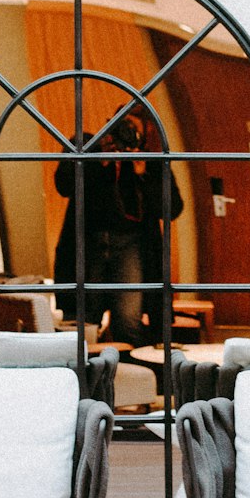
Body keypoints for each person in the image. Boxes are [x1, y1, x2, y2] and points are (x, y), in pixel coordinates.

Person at [53, 111, 184, 345]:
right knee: (84, 321)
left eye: (132, 130)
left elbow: (173, 209)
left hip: (131, 246)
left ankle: (126, 374)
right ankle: (87, 374)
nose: (125, 135)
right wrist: (97, 159)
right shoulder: (89, 147)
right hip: (87, 243)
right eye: (120, 126)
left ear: (143, 137)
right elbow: (63, 185)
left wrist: (143, 173)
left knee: (127, 321)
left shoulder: (150, 160)